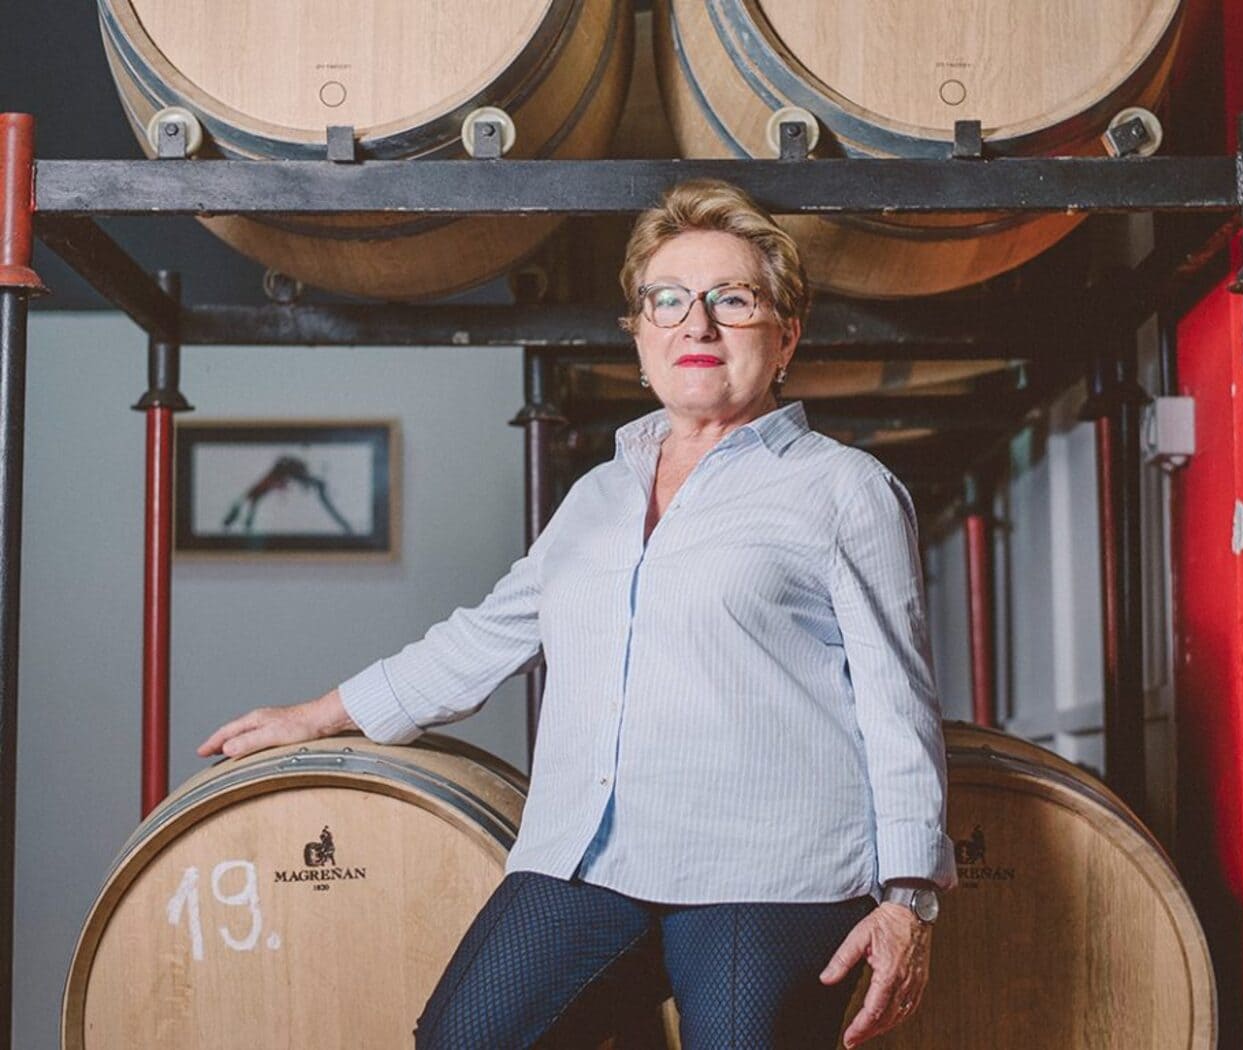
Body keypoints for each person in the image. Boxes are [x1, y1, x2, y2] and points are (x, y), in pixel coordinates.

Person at [199, 179, 957, 1049]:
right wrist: (319, 713)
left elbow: (898, 702)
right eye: (667, 300)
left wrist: (906, 899)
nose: (697, 325)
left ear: (786, 333)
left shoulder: (843, 488)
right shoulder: (600, 493)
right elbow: (488, 635)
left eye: (733, 300)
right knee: (461, 1040)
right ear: (639, 334)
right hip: (592, 857)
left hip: (768, 870)